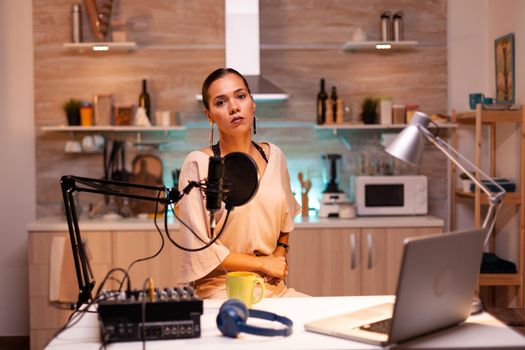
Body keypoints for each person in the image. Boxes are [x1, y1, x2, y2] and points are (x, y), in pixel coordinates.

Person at [176, 68, 306, 298]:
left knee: (318, 322)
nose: (234, 107)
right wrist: (264, 265)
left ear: (252, 103)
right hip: (221, 289)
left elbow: (287, 219)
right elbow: (200, 250)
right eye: (220, 102)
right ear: (209, 115)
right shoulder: (198, 164)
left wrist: (280, 252)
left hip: (273, 289)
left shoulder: (275, 156)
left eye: (240, 96)